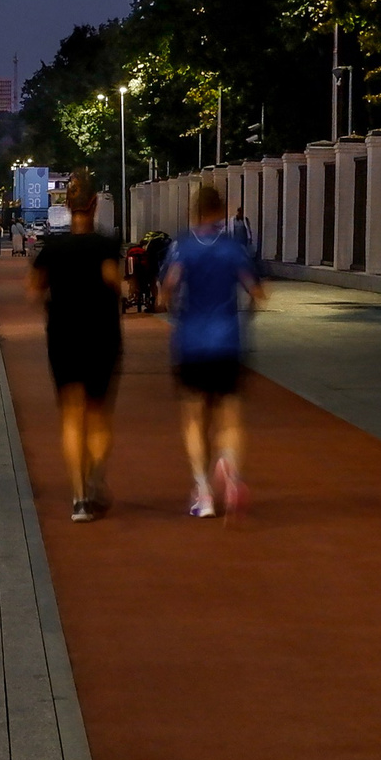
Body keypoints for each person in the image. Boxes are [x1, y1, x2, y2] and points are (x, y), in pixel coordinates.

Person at [161, 180, 264, 519]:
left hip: (191, 341)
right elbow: (257, 293)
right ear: (220, 211)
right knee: (230, 415)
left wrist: (178, 313)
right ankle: (231, 472)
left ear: (194, 212)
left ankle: (203, 491)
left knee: (193, 418)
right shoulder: (234, 247)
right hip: (227, 341)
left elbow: (168, 289)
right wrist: (242, 320)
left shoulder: (183, 246)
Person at [27, 173, 123, 523]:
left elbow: (33, 290)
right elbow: (115, 282)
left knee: (71, 415)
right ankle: (96, 475)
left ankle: (79, 499)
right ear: (95, 204)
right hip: (102, 335)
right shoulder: (105, 245)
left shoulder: (53, 249)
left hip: (63, 337)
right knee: (98, 414)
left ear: (66, 205)